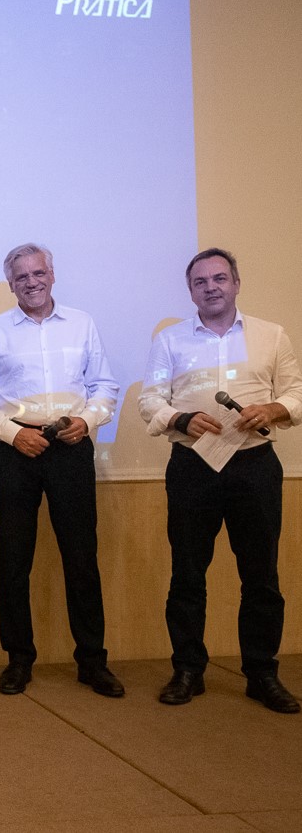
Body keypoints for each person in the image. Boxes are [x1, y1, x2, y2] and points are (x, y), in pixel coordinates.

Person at [139, 248, 301, 713]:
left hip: (254, 465)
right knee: (188, 574)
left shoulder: (271, 335)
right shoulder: (170, 341)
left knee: (261, 576)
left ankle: (262, 673)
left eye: (219, 278)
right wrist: (181, 418)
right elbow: (150, 401)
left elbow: (297, 393)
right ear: (190, 291)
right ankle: (188, 670)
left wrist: (274, 409)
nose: (211, 287)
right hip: (193, 467)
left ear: (236, 283)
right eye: (200, 282)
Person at [0, 243, 124, 698]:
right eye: (22, 277)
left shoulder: (82, 323)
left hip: (71, 446)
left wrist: (87, 421)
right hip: (15, 449)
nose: (31, 282)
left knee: (81, 556)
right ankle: (18, 660)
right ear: (11, 284)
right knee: (15, 558)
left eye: (38, 273)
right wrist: (13, 434)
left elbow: (104, 385)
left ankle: (92, 662)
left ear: (52, 275)